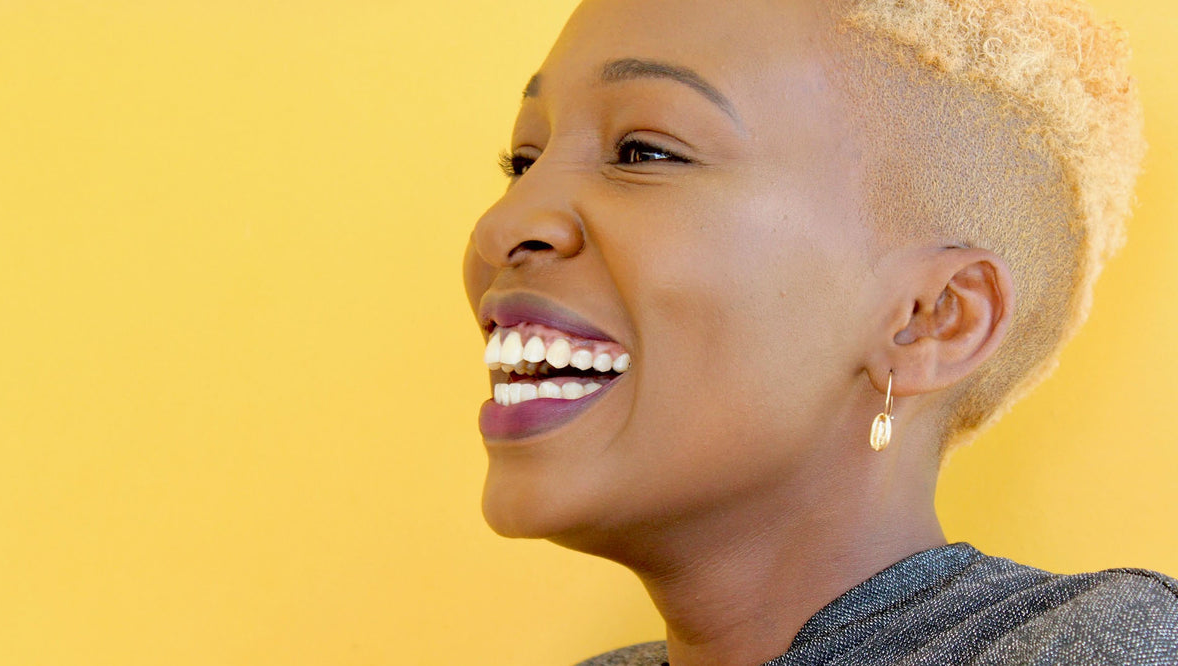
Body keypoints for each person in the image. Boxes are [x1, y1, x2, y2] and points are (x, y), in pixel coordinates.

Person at [461, 0, 1177, 664]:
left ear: (931, 319)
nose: (503, 225)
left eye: (644, 151)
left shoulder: (1099, 643)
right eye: (522, 163)